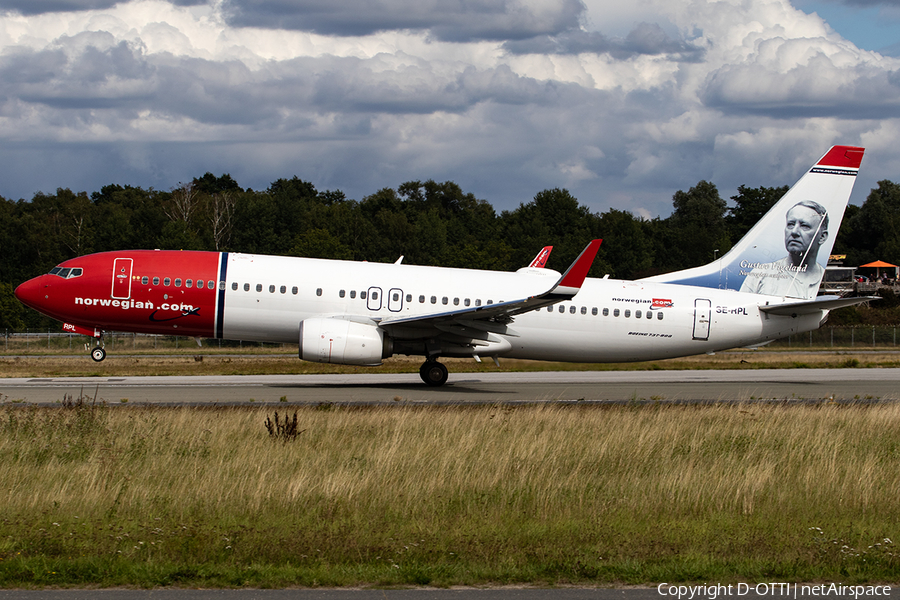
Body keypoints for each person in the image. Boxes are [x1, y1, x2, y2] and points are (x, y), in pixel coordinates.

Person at [739, 200, 828, 299]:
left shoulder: (826, 279)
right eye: (790, 224)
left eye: (804, 226)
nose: (794, 232)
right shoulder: (761, 274)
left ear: (822, 237)